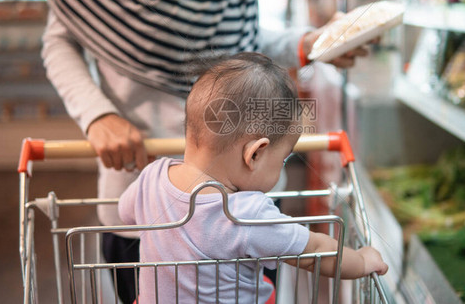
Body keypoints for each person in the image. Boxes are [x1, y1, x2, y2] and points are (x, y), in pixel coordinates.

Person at [41, 0, 368, 302]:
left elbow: (230, 39)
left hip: (221, 193)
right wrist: (97, 115)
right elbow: (60, 37)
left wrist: (307, 44)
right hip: (150, 197)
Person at [118, 53, 388, 303]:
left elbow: (126, 213)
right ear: (255, 154)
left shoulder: (152, 177)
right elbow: (316, 251)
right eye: (283, 159)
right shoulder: (245, 214)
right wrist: (362, 261)